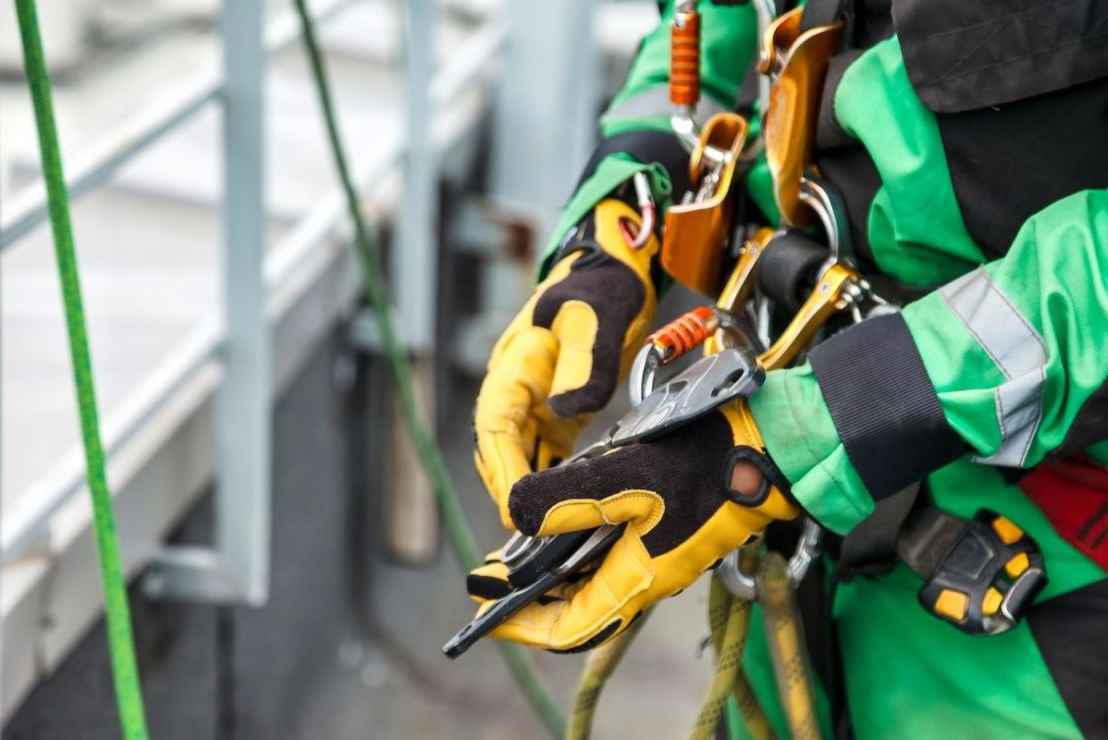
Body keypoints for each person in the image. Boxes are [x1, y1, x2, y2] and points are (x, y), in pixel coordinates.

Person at [466, 1, 1108, 736]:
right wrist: (618, 218)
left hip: (1055, 560)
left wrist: (833, 418)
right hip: (789, 478)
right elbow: (720, 20)